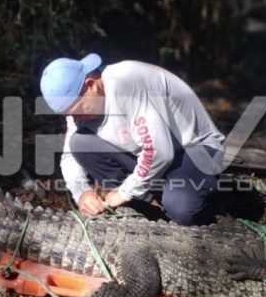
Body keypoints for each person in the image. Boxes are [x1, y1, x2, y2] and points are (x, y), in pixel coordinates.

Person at [39, 53, 225, 226]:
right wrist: (82, 192)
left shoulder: (126, 84)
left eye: (77, 110)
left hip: (194, 149)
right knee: (79, 143)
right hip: (150, 153)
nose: (75, 119)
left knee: (182, 209)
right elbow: (69, 155)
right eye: (69, 115)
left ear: (91, 85)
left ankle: (202, 207)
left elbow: (160, 151)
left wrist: (125, 192)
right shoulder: (80, 107)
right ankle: (148, 205)